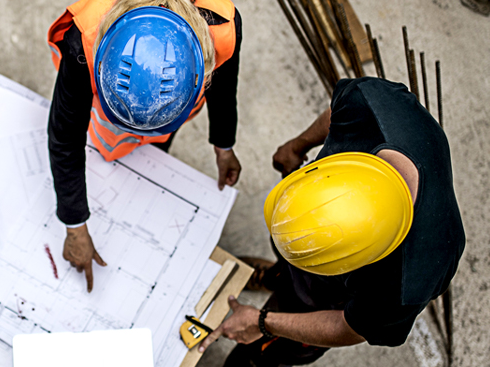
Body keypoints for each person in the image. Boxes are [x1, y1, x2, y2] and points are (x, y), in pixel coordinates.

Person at [198, 77, 466, 366]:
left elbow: (349, 328)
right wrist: (298, 145)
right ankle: (280, 276)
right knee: (290, 259)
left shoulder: (410, 279)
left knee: (267, 352)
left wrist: (263, 323)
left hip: (328, 300)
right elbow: (336, 113)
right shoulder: (371, 105)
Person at [47, 0, 243, 292]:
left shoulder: (222, 26)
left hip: (172, 117)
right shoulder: (84, 39)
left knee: (151, 156)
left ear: (202, 72)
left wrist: (224, 144)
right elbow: (66, 136)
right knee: (108, 150)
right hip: (107, 125)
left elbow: (225, 90)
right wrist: (75, 225)